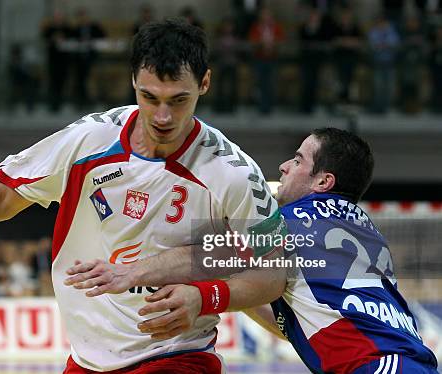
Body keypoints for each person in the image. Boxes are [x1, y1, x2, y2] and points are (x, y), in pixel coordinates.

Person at [0, 19, 285, 373]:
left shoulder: (231, 173)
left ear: (205, 83)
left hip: (178, 355)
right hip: (87, 359)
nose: (163, 116)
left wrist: (206, 297)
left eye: (179, 100)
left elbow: (272, 273)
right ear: (133, 80)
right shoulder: (90, 140)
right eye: (149, 97)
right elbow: (6, 198)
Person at [65, 128, 439, 373]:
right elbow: (295, 323)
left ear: (324, 181)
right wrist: (234, 294)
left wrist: (130, 272)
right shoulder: (365, 232)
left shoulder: (296, 223)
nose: (284, 166)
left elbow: (203, 256)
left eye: (297, 160)